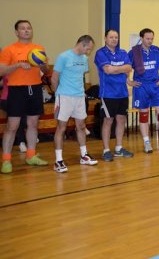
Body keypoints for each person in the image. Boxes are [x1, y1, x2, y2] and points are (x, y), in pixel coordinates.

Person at [0, 20, 49, 173]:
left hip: (35, 88)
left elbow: (46, 70)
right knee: (12, 126)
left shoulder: (38, 49)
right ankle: (6, 160)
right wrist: (18, 65)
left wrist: (42, 65)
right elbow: (1, 71)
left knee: (33, 124)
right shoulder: (9, 49)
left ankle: (31, 155)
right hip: (16, 90)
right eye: (23, 28)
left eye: (29, 28)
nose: (27, 30)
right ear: (17, 32)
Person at [52, 35, 99, 172]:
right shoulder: (63, 57)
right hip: (64, 97)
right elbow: (54, 78)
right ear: (81, 44)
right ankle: (58, 161)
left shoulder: (84, 59)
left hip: (79, 97)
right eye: (88, 49)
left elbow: (81, 77)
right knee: (61, 128)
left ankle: (84, 156)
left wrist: (82, 92)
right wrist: (58, 95)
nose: (88, 52)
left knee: (81, 126)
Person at [128, 28, 159, 153]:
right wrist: (129, 81)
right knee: (144, 115)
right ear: (141, 38)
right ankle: (147, 143)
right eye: (147, 39)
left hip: (154, 86)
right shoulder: (134, 52)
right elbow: (126, 68)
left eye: (152, 39)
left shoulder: (156, 50)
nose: (150, 41)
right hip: (141, 87)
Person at [94, 29, 134, 162]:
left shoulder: (122, 52)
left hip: (122, 92)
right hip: (108, 93)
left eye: (116, 37)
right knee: (108, 121)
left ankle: (118, 148)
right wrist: (121, 68)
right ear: (105, 38)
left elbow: (129, 68)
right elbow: (107, 70)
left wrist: (115, 69)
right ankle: (106, 150)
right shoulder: (100, 53)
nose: (114, 39)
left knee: (121, 120)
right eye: (111, 37)